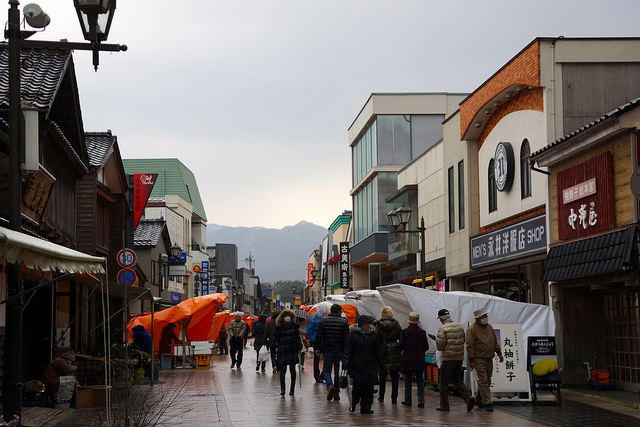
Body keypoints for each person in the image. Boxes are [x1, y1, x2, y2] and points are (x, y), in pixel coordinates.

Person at [343, 314, 386, 415]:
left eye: (370, 323)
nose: (369, 325)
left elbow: (378, 351)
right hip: (356, 366)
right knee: (357, 387)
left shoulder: (374, 335)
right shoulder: (353, 335)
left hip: (370, 366)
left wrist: (382, 365)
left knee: (369, 388)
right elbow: (347, 350)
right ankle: (353, 403)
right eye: (367, 323)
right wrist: (346, 364)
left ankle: (366, 407)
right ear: (361, 324)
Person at [436, 308, 474, 412]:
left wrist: (437, 340)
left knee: (443, 382)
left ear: (441, 318)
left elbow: (440, 346)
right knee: (457, 379)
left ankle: (444, 405)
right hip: (459, 358)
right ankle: (467, 397)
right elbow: (463, 341)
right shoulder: (459, 326)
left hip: (448, 358)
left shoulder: (443, 329)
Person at [466, 308, 503, 412]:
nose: (485, 318)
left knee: (487, 381)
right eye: (483, 316)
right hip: (479, 359)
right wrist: (471, 360)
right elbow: (469, 346)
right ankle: (487, 402)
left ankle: (479, 399)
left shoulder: (489, 327)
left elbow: (494, 341)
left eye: (485, 316)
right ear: (477, 319)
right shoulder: (472, 329)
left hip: (489, 358)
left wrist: (499, 353)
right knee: (483, 381)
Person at [315, 304, 349, 402]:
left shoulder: (323, 321)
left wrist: (317, 348)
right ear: (339, 312)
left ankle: (330, 385)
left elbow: (319, 335)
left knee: (326, 370)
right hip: (340, 350)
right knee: (338, 371)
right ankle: (336, 393)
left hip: (327, 349)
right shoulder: (344, 322)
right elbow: (346, 339)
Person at [399, 311, 428, 408]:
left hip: (408, 359)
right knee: (420, 380)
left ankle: (408, 400)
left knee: (408, 380)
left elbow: (401, 346)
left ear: (409, 322)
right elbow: (426, 347)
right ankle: (421, 401)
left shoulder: (404, 332)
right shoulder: (422, 332)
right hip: (419, 359)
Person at [274, 309, 303, 396]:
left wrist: (299, 348)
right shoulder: (279, 327)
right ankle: (283, 389)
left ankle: (292, 389)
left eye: (288, 316)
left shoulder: (295, 326)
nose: (287, 317)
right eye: (285, 316)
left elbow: (297, 338)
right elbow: (276, 338)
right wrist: (277, 346)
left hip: (292, 350)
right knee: (283, 371)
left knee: (292, 370)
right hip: (283, 350)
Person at [377, 306, 402, 404]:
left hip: (383, 351)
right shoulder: (397, 325)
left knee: (382, 376)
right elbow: (400, 337)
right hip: (394, 350)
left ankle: (381, 397)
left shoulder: (379, 325)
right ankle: (394, 398)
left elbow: (377, 338)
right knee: (395, 376)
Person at [306, 311, 324, 383]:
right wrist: (314, 340)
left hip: (324, 341)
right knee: (316, 359)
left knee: (326, 358)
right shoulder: (313, 319)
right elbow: (309, 330)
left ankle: (323, 374)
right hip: (317, 341)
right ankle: (317, 375)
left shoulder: (323, 318)